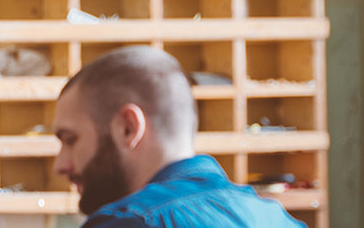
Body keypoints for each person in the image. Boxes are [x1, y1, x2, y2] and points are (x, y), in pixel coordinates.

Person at [53, 46, 303, 227]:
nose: (60, 166)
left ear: (128, 128)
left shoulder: (129, 222)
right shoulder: (277, 219)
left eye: (70, 139)